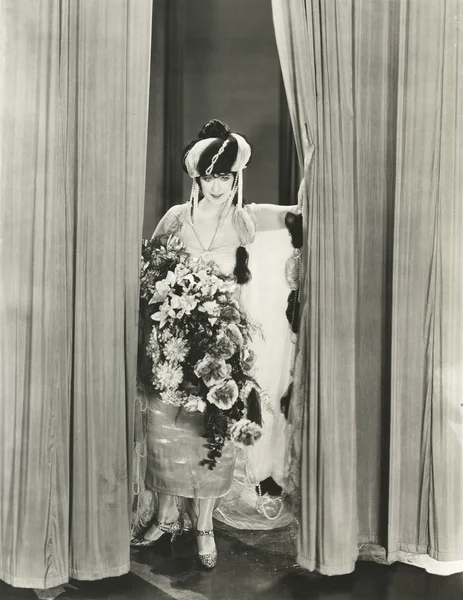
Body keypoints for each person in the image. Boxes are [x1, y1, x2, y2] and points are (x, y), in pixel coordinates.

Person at [131, 119, 299, 568]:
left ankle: (204, 526)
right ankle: (166, 516)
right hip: (171, 340)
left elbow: (300, 213)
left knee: (214, 433)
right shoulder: (175, 218)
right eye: (210, 175)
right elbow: (150, 272)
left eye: (225, 175)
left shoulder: (247, 220)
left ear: (235, 177)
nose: (218, 184)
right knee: (165, 431)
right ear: (197, 177)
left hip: (221, 343)